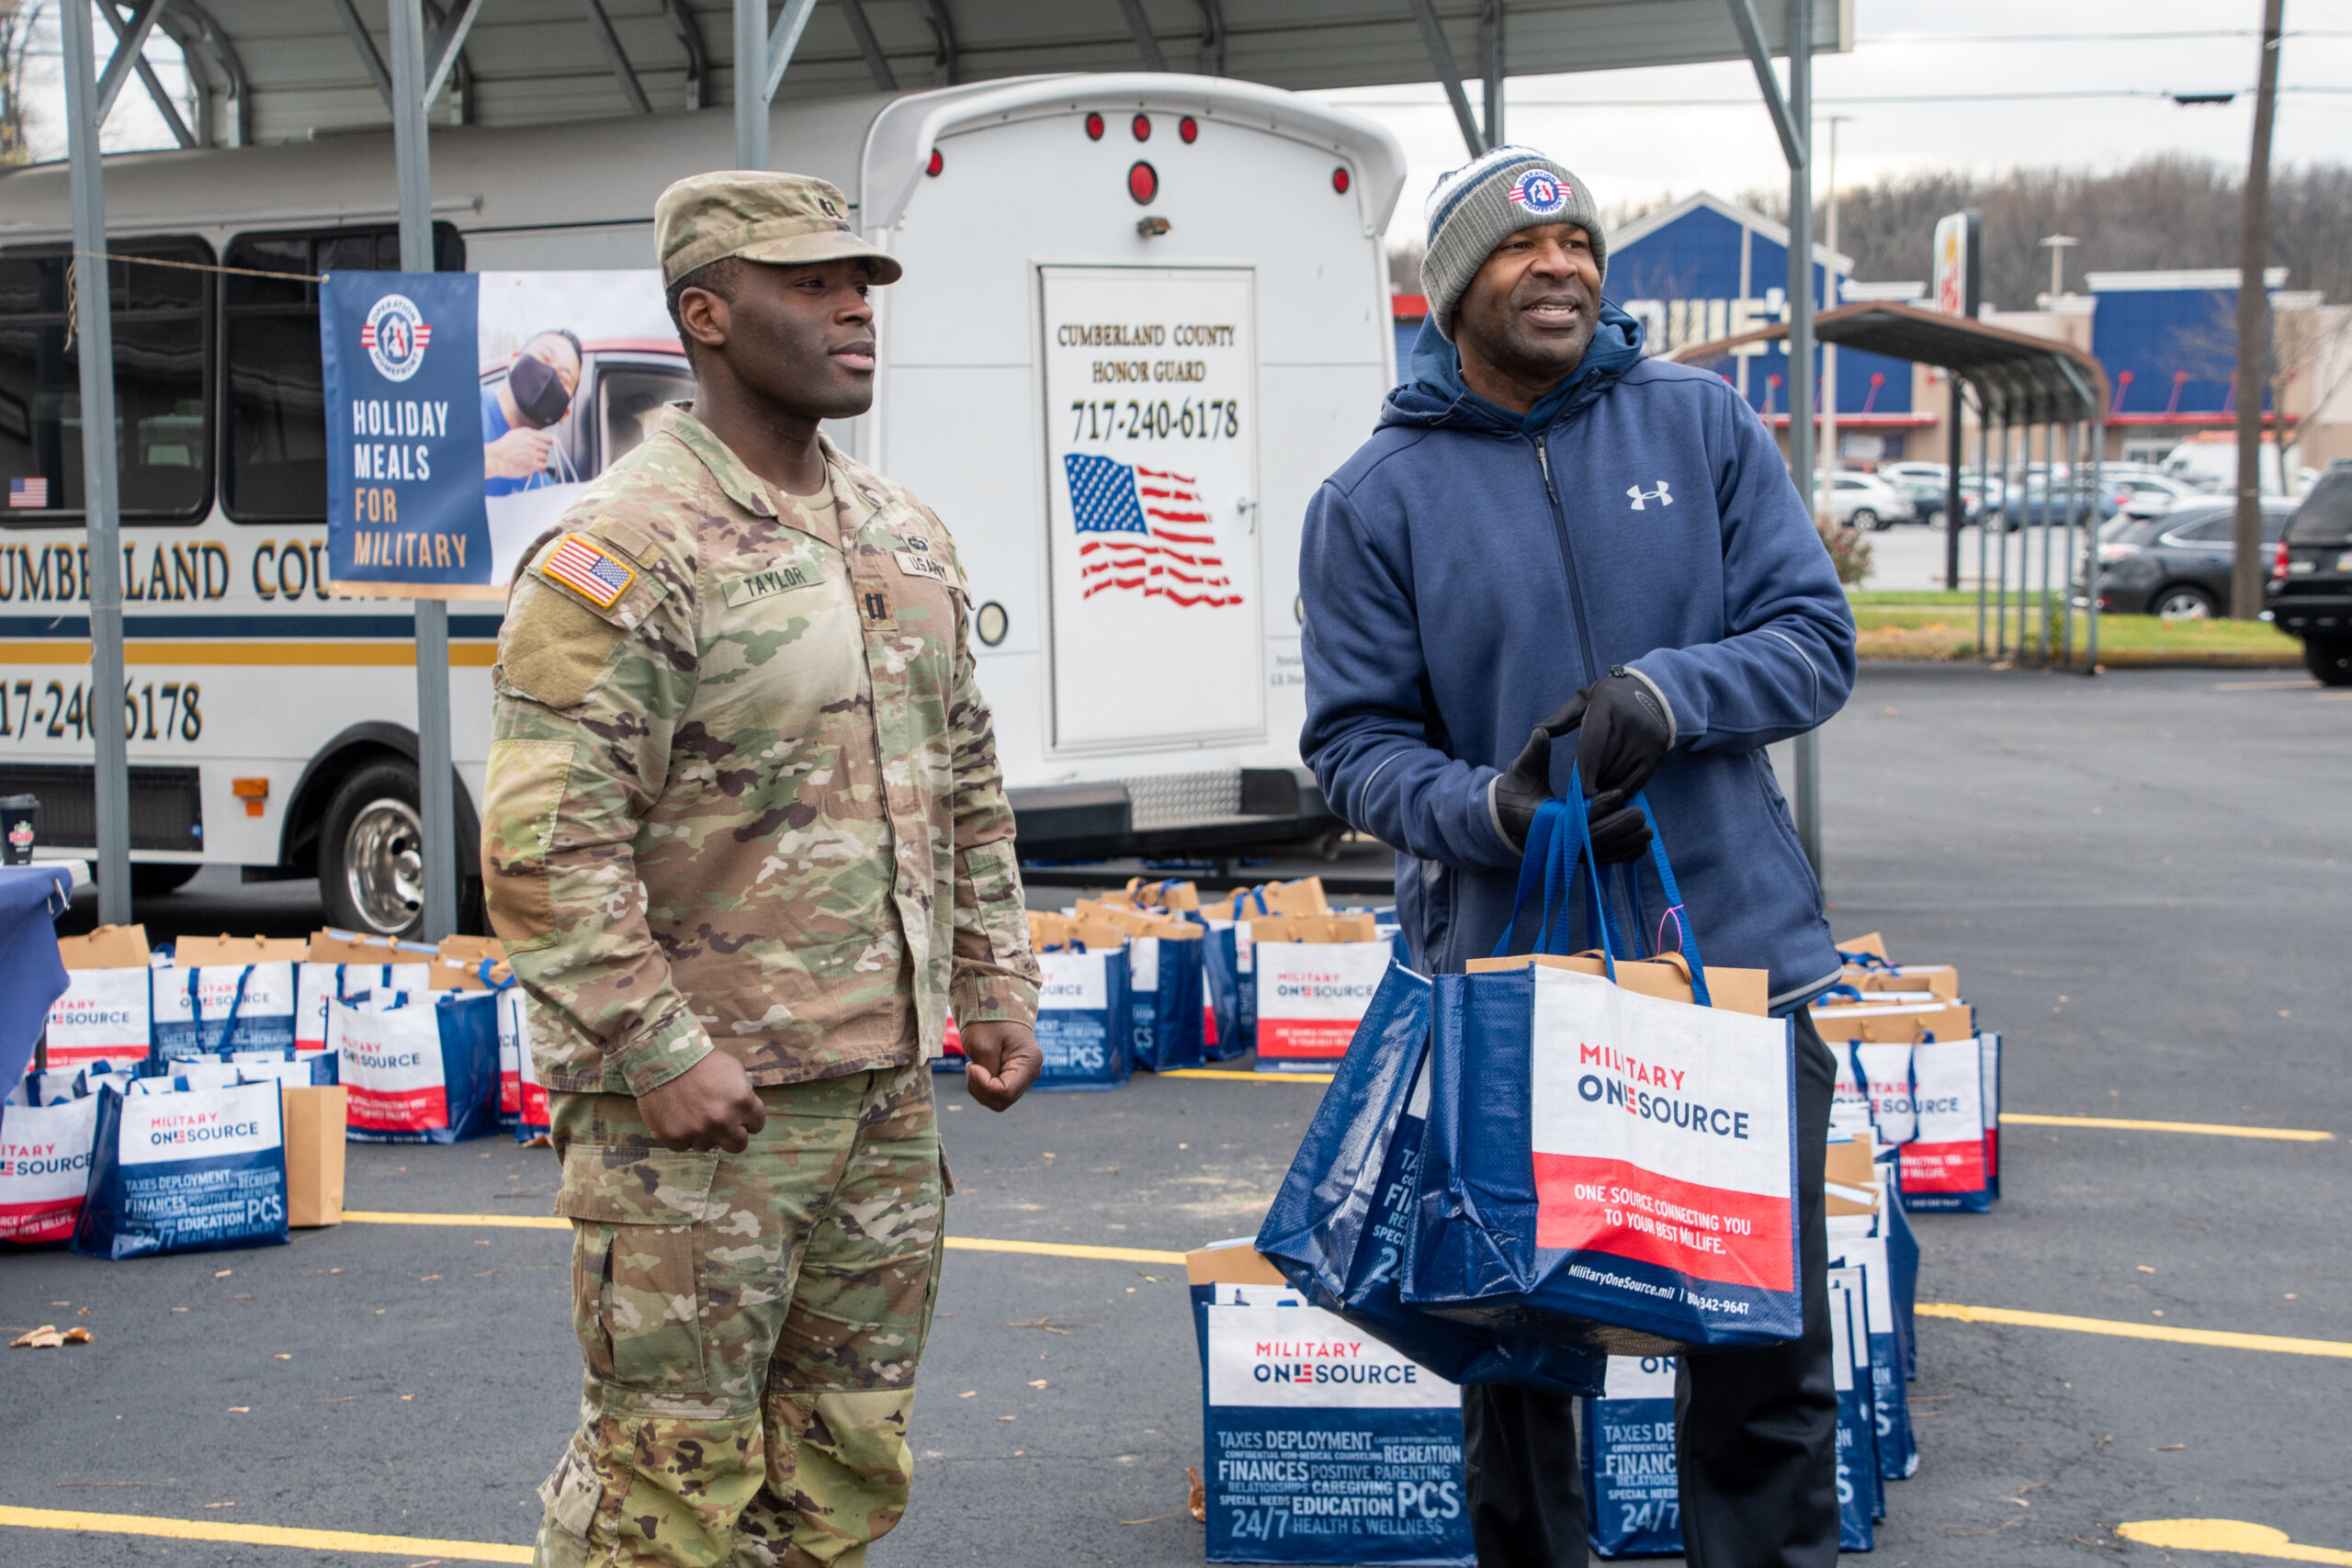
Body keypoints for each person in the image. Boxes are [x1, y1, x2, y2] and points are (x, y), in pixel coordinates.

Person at [1297, 146, 1858, 1568]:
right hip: (1508, 993)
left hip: (1730, 970)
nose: (1561, 268)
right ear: (1449, 287)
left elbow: (1812, 641)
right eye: (1520, 249)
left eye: (1582, 246)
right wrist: (1494, 806)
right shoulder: (1375, 497)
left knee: (1759, 1364)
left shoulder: (1704, 425)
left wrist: (1667, 698)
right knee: (1515, 1361)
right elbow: (1354, 743)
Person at [482, 170, 1046, 1568]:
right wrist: (657, 1045)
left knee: (840, 1466)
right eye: (809, 283)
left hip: (878, 1091)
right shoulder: (624, 547)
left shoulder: (900, 533)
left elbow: (963, 775)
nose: (854, 306)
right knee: (666, 1488)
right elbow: (547, 844)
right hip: (694, 1115)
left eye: (860, 281)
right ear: (707, 315)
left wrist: (998, 975)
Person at [482, 328, 582, 494]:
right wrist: (496, 458)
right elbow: (427, 465)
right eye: (544, 357)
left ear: (565, 413)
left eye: (563, 378)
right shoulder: (462, 405)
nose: (550, 374)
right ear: (514, 360)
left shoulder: (542, 488)